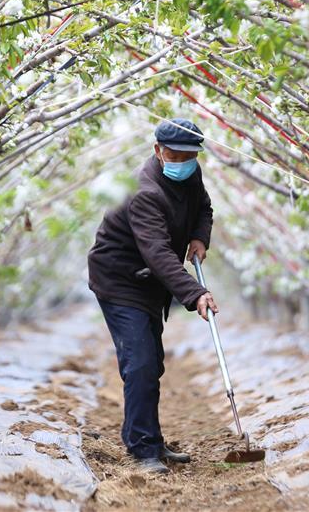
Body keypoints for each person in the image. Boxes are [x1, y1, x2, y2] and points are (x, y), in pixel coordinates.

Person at [87, 118, 218, 474]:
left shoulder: (190, 174)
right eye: (175, 155)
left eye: (190, 155)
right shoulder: (143, 192)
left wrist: (199, 237)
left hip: (150, 282)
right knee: (140, 363)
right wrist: (196, 293)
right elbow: (158, 253)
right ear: (158, 151)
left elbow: (203, 207)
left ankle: (151, 440)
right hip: (119, 280)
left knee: (152, 362)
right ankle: (143, 450)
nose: (183, 161)